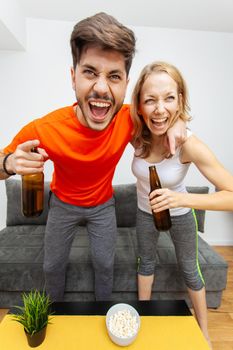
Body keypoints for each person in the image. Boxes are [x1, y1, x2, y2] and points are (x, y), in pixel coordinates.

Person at [0, 13, 186, 302]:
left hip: (103, 206)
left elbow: (162, 113)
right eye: (90, 72)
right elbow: (2, 163)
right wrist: (8, 164)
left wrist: (178, 123)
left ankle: (101, 315)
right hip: (62, 205)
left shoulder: (129, 118)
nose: (101, 87)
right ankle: (54, 317)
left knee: (104, 264)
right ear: (73, 77)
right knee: (52, 265)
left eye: (114, 76)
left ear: (126, 85)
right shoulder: (45, 128)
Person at [130, 60, 233, 348]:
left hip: (181, 213)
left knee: (190, 269)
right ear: (139, 105)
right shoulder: (135, 135)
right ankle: (144, 320)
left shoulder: (188, 145)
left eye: (169, 98)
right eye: (150, 100)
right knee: (145, 263)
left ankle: (205, 334)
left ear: (180, 100)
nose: (160, 108)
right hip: (143, 212)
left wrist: (181, 198)